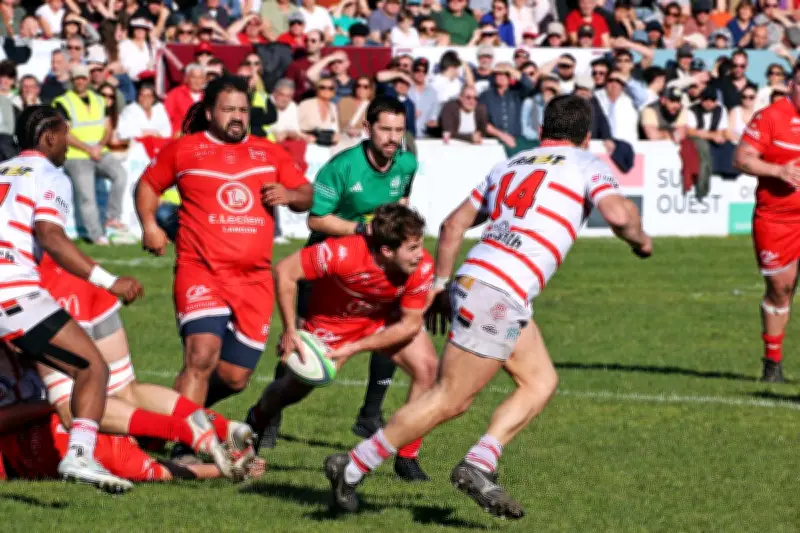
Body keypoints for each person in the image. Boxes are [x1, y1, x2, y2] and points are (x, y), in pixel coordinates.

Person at [323, 94, 652, 517]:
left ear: (540, 131)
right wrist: (641, 241)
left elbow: (452, 225)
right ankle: (351, 465)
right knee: (450, 398)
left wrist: (442, 287)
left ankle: (479, 463)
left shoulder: (511, 164)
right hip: (498, 293)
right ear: (586, 137)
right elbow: (620, 217)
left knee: (540, 382)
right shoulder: (586, 163)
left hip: (480, 282)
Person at [134, 76, 313, 463]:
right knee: (201, 356)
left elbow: (307, 194)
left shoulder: (269, 152)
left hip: (253, 281)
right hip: (201, 272)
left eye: (243, 110)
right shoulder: (184, 150)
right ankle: (187, 444)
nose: (237, 117)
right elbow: (148, 186)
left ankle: (169, 414)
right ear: (211, 111)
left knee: (234, 377)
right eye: (229, 109)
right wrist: (150, 225)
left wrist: (292, 195)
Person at [252, 97, 428, 481]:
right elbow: (317, 218)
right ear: (368, 128)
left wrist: (395, 242)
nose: (393, 138)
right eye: (385, 130)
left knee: (402, 341)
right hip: (329, 270)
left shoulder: (407, 163)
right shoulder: (343, 166)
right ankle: (268, 416)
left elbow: (400, 205)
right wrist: (363, 232)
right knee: (299, 355)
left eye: (399, 131)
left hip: (379, 267)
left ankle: (375, 420)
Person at [0, 105, 143, 492]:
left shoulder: (2, 170)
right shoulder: (49, 173)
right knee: (93, 368)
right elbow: (52, 236)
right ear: (49, 138)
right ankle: (80, 454)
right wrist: (109, 282)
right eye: (67, 135)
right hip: (14, 291)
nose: (70, 144)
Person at [250, 204, 438, 480]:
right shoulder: (342, 252)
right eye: (412, 248)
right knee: (296, 388)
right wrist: (291, 330)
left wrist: (355, 347)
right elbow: (285, 271)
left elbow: (410, 324)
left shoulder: (420, 266)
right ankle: (257, 419)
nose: (420, 254)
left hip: (383, 318)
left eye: (420, 245)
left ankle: (407, 456)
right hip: (333, 324)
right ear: (386, 251)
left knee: (428, 369)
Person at [36, 251, 257, 479]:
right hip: (80, 270)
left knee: (71, 406)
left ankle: (187, 431)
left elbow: (45, 233)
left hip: (42, 283)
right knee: (125, 390)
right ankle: (226, 429)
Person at [0, 349, 266, 484]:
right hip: (22, 419)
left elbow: (168, 471)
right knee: (126, 392)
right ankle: (212, 428)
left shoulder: (126, 460)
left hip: (9, 453)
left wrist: (53, 405)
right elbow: (169, 471)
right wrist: (227, 469)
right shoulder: (125, 454)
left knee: (124, 393)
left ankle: (208, 428)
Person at [733, 63, 800, 383]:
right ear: (791, 85)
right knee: (780, 288)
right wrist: (778, 172)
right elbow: (742, 158)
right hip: (777, 219)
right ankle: (772, 365)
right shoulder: (771, 116)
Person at [53, 64, 129, 245]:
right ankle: (97, 236)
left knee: (121, 175)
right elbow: (65, 133)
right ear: (72, 81)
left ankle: (112, 216)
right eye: (77, 78)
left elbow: (108, 126)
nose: (80, 81)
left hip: (99, 150)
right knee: (87, 197)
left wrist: (99, 146)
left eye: (83, 78)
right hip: (75, 156)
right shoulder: (62, 102)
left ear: (88, 80)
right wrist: (89, 149)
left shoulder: (99, 100)